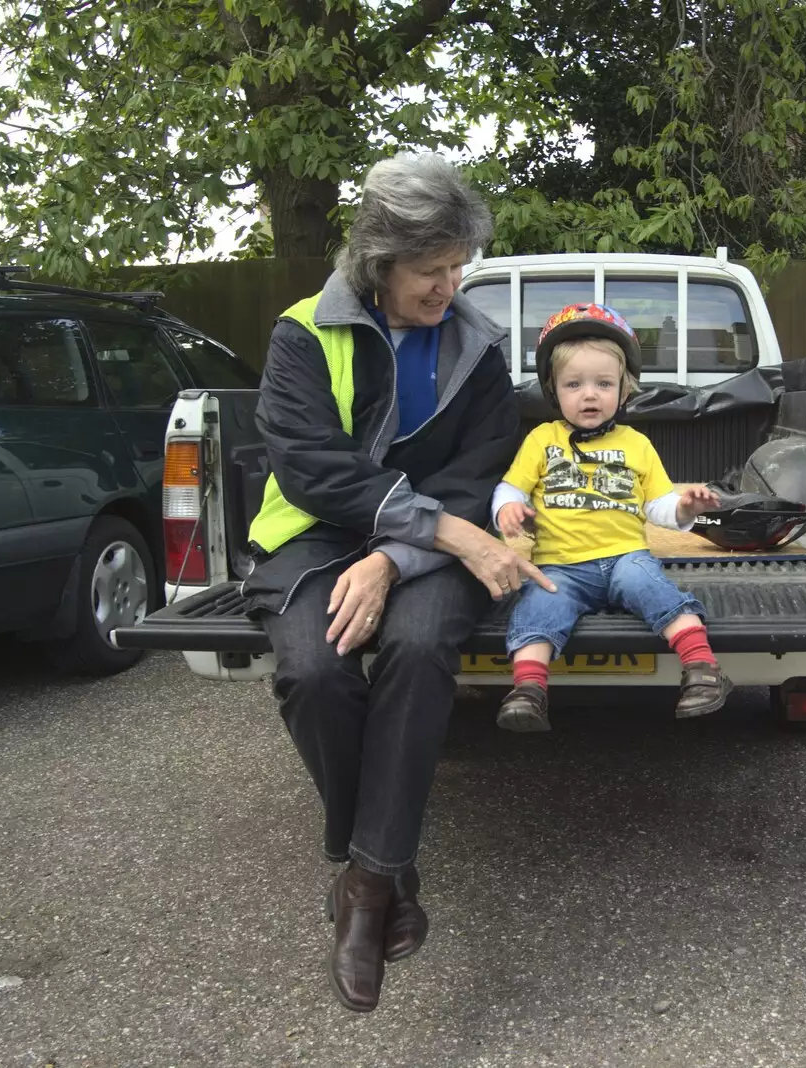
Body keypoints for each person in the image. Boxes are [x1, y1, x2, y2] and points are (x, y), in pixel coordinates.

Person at [241, 151, 555, 1012]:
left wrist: (394, 557)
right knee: (312, 665)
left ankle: (365, 887)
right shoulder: (305, 332)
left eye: (459, 267)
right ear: (380, 261)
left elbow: (483, 463)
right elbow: (313, 470)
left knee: (419, 647)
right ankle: (389, 867)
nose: (449, 286)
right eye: (431, 270)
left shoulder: (479, 344)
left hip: (423, 549)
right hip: (314, 535)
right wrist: (435, 533)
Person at [491, 304, 732, 732]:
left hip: (625, 557)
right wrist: (507, 506)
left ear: (623, 390)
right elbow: (509, 487)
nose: (589, 394)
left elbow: (657, 505)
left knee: (653, 587)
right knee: (538, 607)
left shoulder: (637, 444)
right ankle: (528, 691)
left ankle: (703, 670)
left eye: (603, 383)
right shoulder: (541, 439)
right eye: (574, 384)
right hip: (561, 567)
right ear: (553, 391)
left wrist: (685, 508)